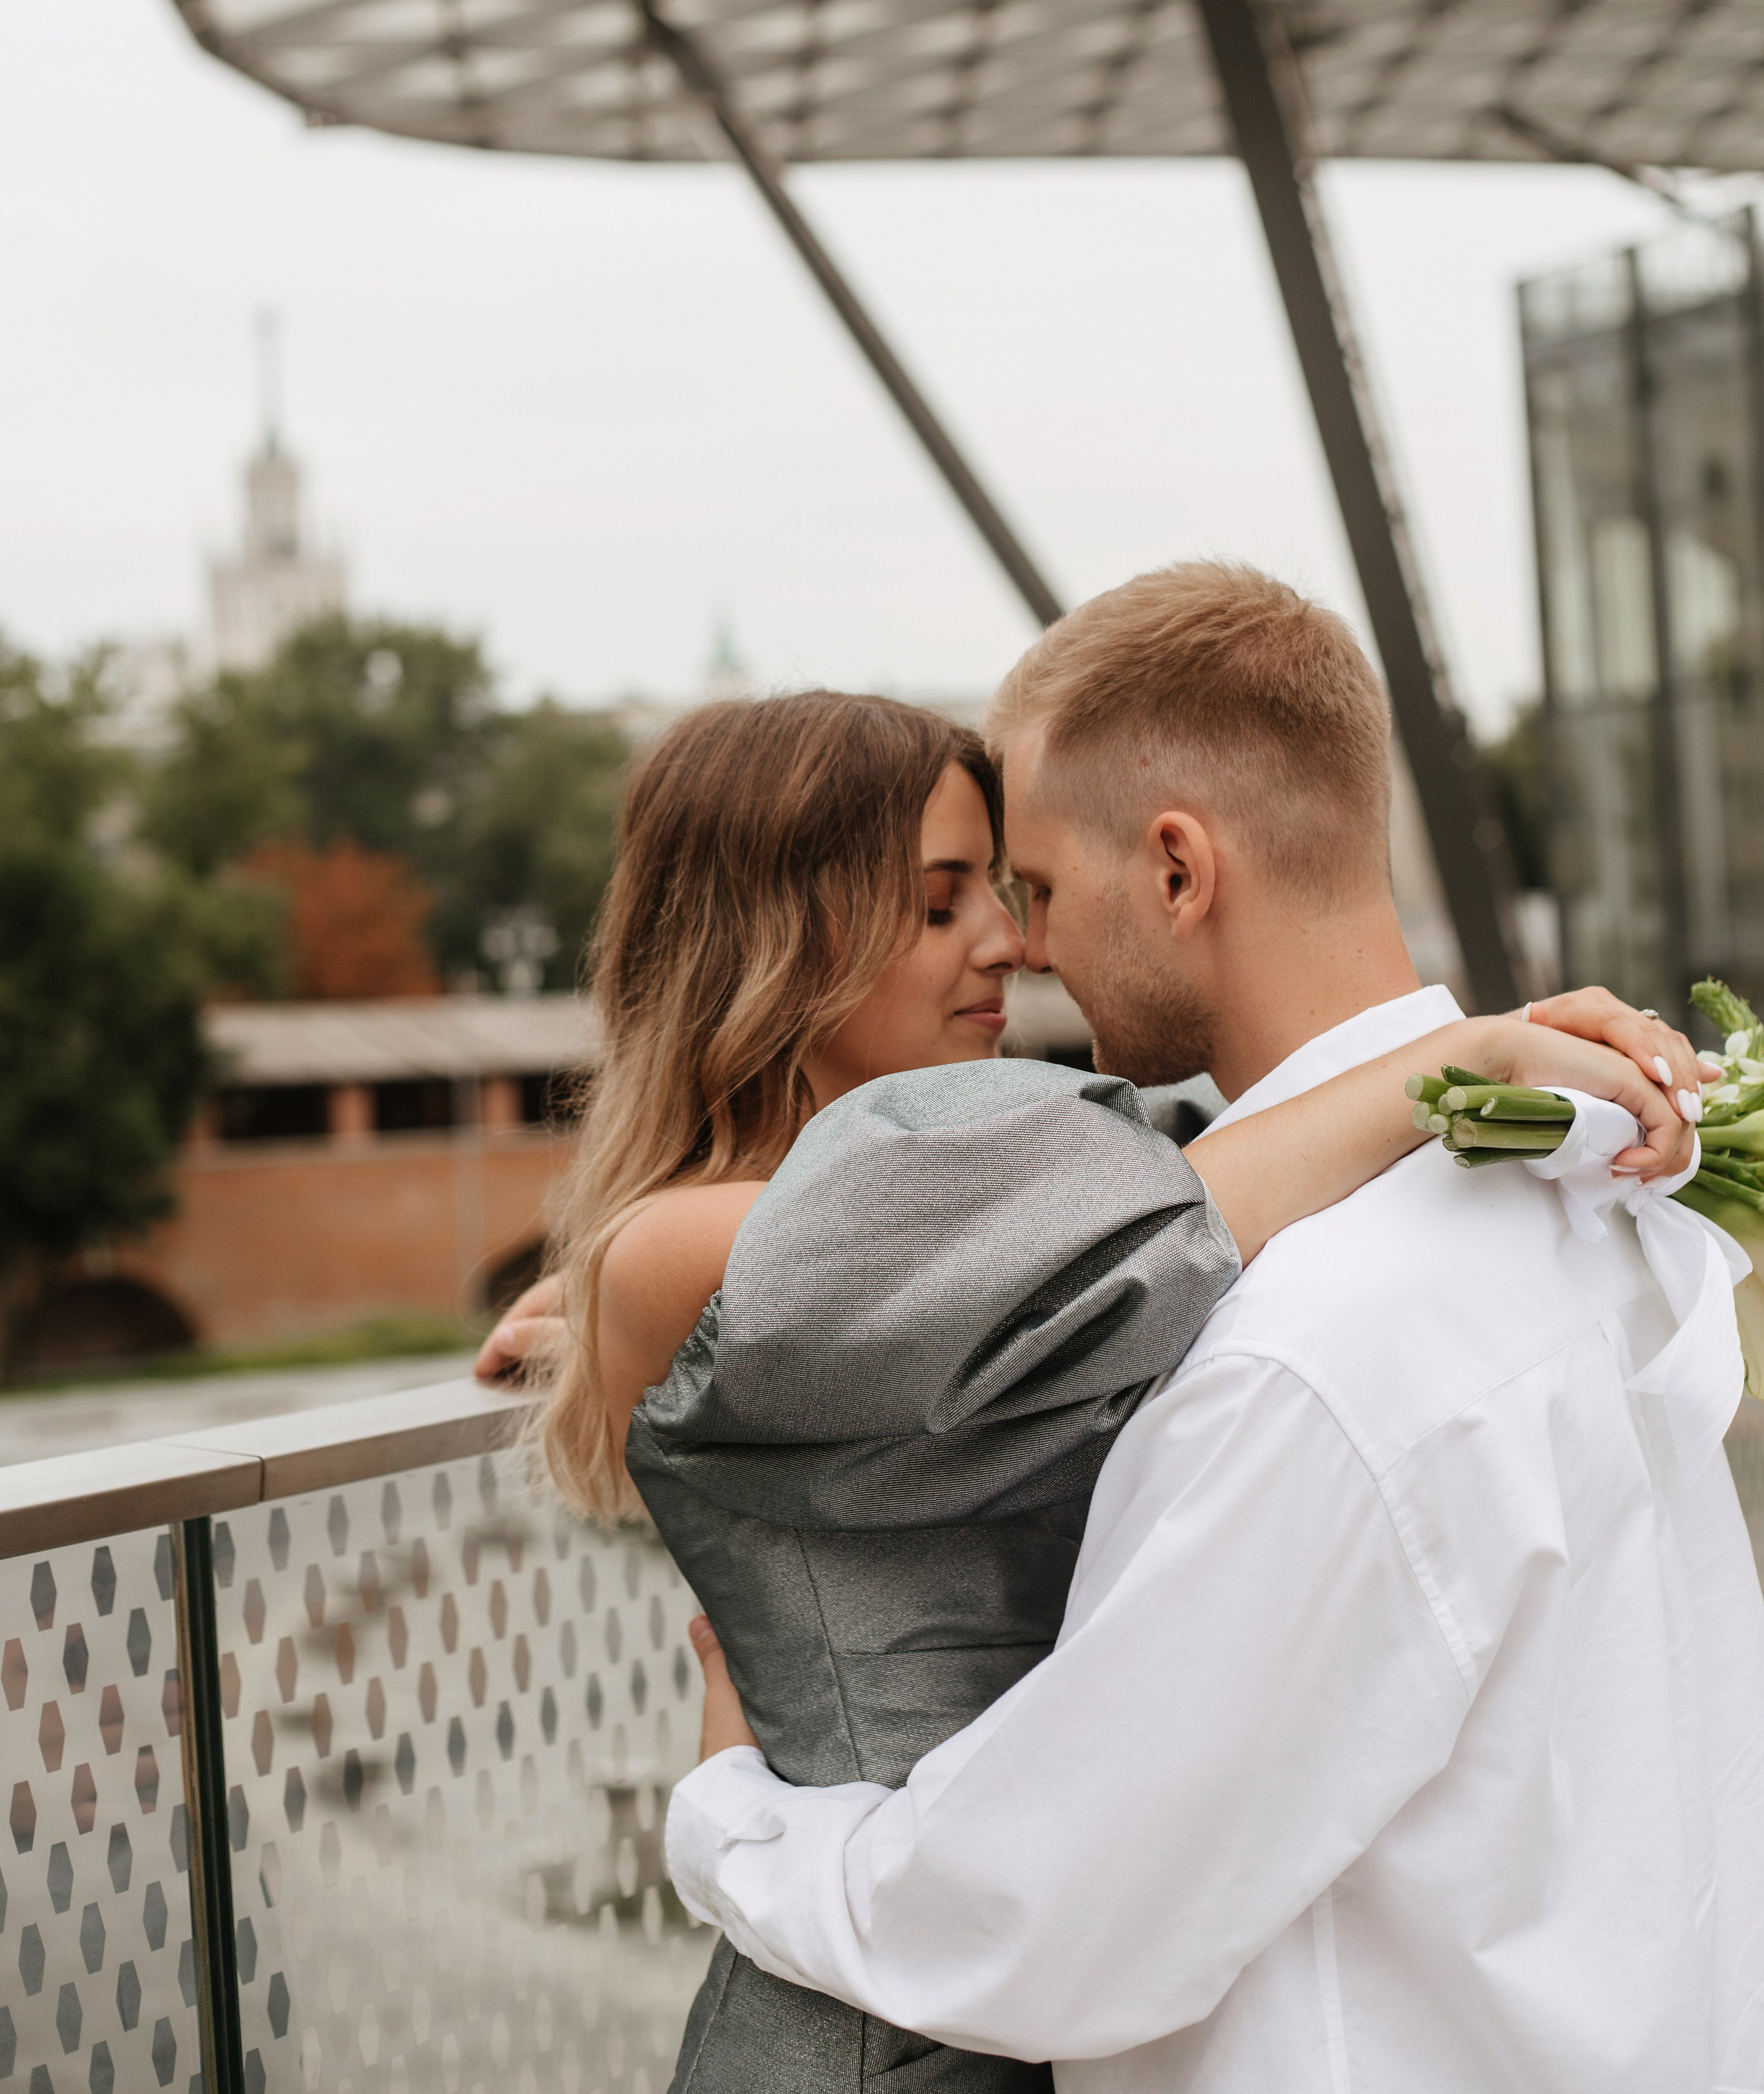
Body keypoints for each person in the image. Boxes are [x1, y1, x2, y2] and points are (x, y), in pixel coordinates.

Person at [477, 657, 1710, 2094]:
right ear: (778, 938)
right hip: (876, 2014)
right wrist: (1451, 1059)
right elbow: (1156, 1226)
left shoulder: (783, 1255)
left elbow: (1017, 1259)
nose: (1010, 943)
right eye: (940, 903)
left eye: (1007, 893)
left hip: (992, 1953)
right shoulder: (693, 1252)